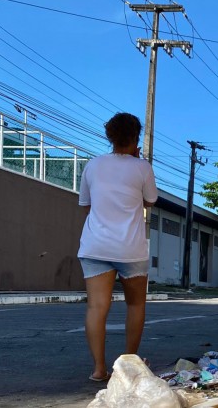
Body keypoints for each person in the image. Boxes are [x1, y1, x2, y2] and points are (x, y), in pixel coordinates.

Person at [77, 112, 158, 382]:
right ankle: (127, 368)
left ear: (109, 137)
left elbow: (86, 205)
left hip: (95, 245)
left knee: (96, 308)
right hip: (130, 248)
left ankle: (99, 369)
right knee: (135, 305)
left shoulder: (92, 165)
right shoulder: (142, 167)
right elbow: (150, 201)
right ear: (136, 138)